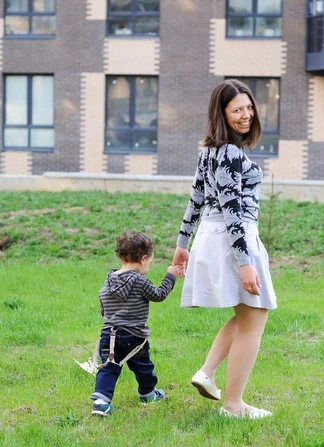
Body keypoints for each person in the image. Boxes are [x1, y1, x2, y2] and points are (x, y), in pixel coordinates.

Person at [172, 79, 277, 420]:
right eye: (237, 110)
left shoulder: (210, 150)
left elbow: (195, 200)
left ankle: (206, 372)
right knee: (254, 317)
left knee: (245, 313)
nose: (246, 115)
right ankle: (233, 405)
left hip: (212, 236)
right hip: (235, 238)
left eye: (249, 108)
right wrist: (246, 263)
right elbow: (233, 210)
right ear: (222, 113)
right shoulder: (230, 153)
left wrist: (182, 244)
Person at [90, 230, 179, 416]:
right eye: (150, 262)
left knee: (109, 367)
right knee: (143, 366)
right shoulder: (139, 281)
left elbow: (103, 302)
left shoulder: (109, 279)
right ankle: (147, 394)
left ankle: (100, 402)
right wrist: (170, 276)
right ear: (143, 259)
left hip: (109, 335)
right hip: (134, 337)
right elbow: (159, 295)